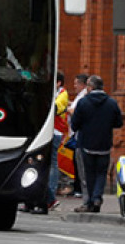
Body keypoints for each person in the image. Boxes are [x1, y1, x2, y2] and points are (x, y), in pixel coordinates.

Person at [68, 75, 121, 213]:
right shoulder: (111, 103)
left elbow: (74, 124)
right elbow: (118, 122)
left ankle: (88, 202)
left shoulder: (83, 102)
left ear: (90, 87)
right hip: (104, 144)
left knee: (87, 174)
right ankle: (97, 198)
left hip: (85, 143)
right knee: (101, 173)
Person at [33, 71, 68, 214]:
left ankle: (50, 196)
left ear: (58, 83)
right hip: (47, 131)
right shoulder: (56, 93)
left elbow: (53, 109)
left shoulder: (63, 94)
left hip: (55, 132)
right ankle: (42, 198)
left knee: (52, 164)